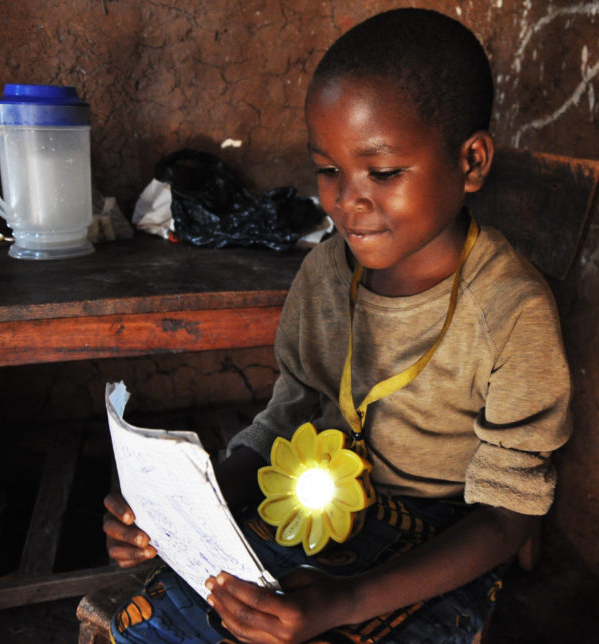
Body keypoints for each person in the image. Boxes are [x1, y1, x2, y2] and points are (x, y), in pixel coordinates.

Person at [103, 8, 572, 643]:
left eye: (382, 172)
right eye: (329, 169)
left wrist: (343, 604)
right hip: (310, 497)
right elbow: (287, 416)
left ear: (470, 162)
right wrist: (186, 511)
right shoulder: (327, 271)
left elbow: (503, 520)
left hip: (438, 544)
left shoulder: (512, 312)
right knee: (167, 620)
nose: (346, 200)